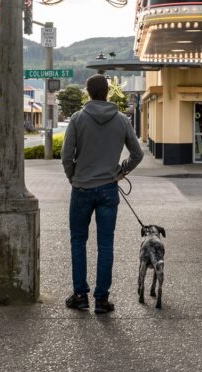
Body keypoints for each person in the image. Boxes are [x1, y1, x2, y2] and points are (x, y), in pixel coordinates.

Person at [61, 74, 143, 314]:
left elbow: (66, 157)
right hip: (108, 189)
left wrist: (73, 177)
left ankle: (80, 296)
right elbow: (137, 154)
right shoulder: (121, 120)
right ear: (108, 92)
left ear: (88, 92)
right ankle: (102, 299)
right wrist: (121, 171)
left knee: (78, 241)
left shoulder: (77, 119)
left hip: (82, 189)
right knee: (105, 244)